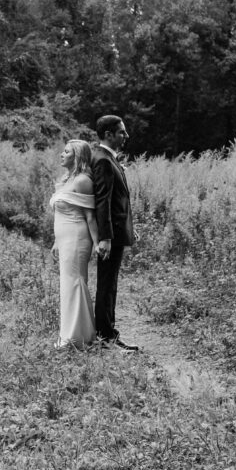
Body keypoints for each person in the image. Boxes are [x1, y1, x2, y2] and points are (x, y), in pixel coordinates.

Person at [91, 115, 139, 352]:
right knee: (106, 286)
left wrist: (131, 227)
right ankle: (105, 338)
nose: (126, 136)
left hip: (118, 232)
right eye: (121, 132)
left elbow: (120, 201)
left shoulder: (109, 159)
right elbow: (103, 201)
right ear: (108, 135)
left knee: (110, 285)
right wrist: (106, 238)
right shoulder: (102, 161)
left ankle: (109, 334)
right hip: (110, 237)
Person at [49, 139, 100, 349]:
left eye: (67, 152)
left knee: (75, 282)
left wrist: (97, 243)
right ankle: (78, 333)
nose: (62, 154)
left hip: (77, 238)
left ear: (77, 156)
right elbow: (61, 214)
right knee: (67, 284)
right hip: (64, 238)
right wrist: (56, 241)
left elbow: (90, 216)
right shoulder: (66, 179)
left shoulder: (82, 181)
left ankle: (75, 337)